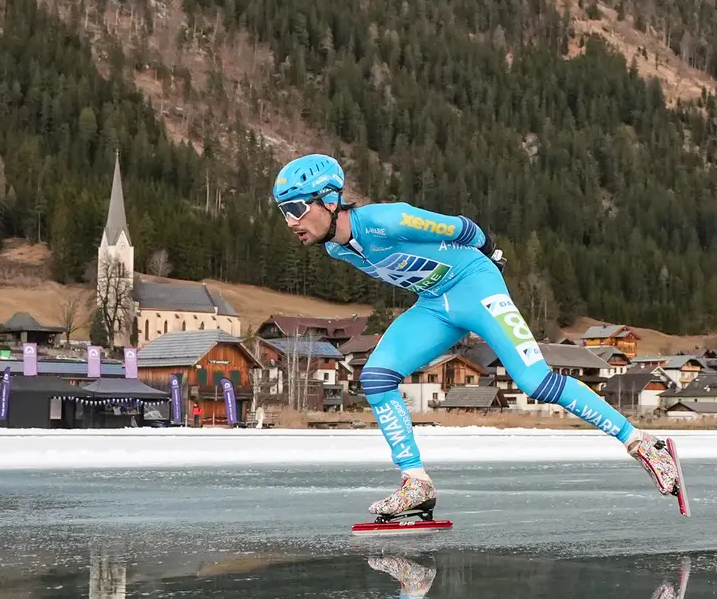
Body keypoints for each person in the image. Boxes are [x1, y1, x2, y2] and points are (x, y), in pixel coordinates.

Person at [272, 153, 681, 517]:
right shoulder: (337, 248)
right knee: (376, 377)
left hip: (476, 287)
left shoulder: (385, 220)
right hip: (434, 304)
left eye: (294, 208)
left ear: (328, 199)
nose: (290, 222)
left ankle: (644, 444)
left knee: (534, 380)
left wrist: (492, 260)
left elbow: (462, 228)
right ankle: (416, 483)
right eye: (282, 212)